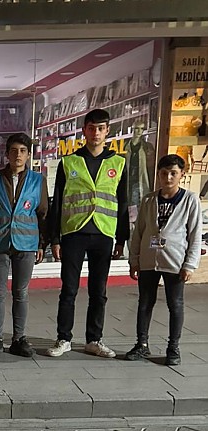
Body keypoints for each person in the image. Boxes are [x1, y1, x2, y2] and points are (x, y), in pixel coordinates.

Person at [46, 108, 129, 359]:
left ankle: (94, 339)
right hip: (74, 232)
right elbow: (57, 202)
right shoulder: (69, 162)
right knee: (69, 289)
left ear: (108, 131)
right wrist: (54, 238)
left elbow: (123, 203)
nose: (96, 133)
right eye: (91, 128)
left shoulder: (118, 163)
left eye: (101, 129)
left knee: (98, 291)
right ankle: (64, 338)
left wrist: (122, 239)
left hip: (103, 232)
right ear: (84, 131)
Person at [126, 155, 202, 366]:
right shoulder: (149, 200)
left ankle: (173, 347)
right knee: (145, 302)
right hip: (149, 260)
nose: (168, 177)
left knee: (175, 304)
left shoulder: (190, 200)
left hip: (175, 262)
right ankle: (141, 344)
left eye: (173, 173)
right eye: (164, 173)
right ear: (158, 174)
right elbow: (138, 232)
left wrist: (190, 264)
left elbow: (195, 235)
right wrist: (134, 260)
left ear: (181, 175)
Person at [0, 133, 48, 358]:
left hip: (26, 243)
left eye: (22, 151)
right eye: (13, 150)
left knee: (21, 292)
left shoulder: (38, 181)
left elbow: (43, 213)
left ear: (28, 154)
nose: (17, 155)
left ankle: (19, 338)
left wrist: (41, 244)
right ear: (7, 154)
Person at [125, 121, 154, 213]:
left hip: (141, 179)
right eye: (137, 128)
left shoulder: (147, 147)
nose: (139, 131)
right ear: (132, 129)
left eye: (142, 129)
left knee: (140, 204)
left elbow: (151, 166)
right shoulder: (124, 146)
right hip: (127, 179)